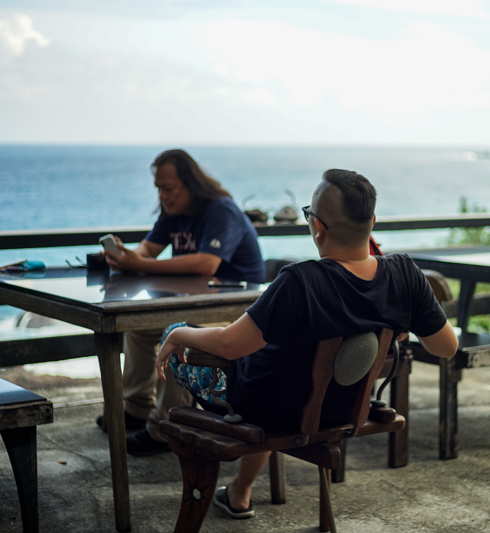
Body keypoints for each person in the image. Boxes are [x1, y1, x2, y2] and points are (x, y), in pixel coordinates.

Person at [154, 169, 458, 518]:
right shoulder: (404, 274)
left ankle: (160, 433)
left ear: (318, 227)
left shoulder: (301, 282)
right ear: (372, 221)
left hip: (269, 405)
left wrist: (178, 334)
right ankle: (239, 493)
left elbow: (229, 345)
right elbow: (446, 347)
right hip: (340, 407)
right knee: (280, 366)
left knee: (180, 334)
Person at [100, 149, 265, 456]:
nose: (163, 195)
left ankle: (165, 429)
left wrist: (141, 263)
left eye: (168, 188)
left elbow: (206, 264)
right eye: (159, 189)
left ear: (190, 183)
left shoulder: (220, 210)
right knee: (139, 328)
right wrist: (125, 257)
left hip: (235, 312)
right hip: (194, 304)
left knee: (177, 335)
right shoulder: (172, 212)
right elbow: (148, 249)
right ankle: (136, 408)